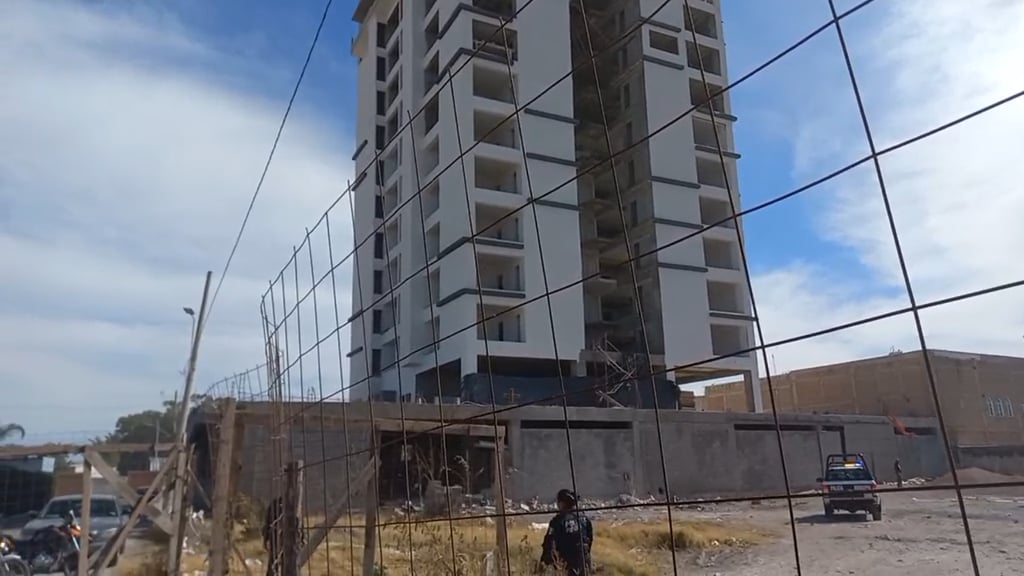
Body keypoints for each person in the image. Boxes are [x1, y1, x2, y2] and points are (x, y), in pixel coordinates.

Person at [539, 489, 593, 575]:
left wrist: (544, 564)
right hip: (584, 563)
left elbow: (549, 544)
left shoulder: (558, 521)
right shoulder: (584, 518)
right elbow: (589, 539)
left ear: (562, 503)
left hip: (566, 565)